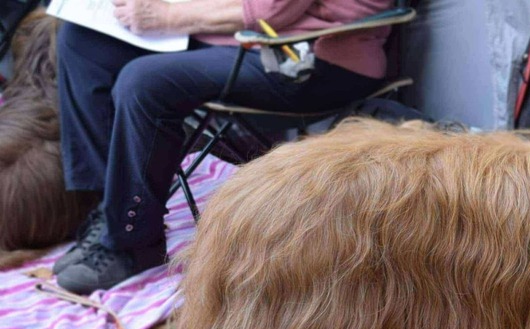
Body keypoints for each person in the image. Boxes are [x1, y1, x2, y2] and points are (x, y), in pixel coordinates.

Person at [53, 0, 393, 294]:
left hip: (307, 57)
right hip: (242, 39)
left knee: (145, 81)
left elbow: (270, 10)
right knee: (82, 41)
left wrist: (167, 16)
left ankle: (132, 240)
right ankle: (108, 214)